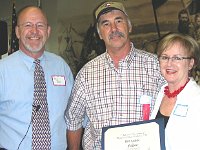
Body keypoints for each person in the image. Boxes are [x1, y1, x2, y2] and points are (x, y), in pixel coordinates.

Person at [65, 1, 165, 149]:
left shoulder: (157, 66)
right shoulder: (86, 74)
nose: (113, 28)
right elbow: (73, 119)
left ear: (129, 26)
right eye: (106, 24)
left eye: (119, 21)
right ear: (99, 34)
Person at [0, 6, 74, 149]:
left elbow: (74, 113)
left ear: (48, 31)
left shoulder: (62, 66)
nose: (34, 31)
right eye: (28, 25)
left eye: (40, 25)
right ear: (17, 32)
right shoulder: (2, 70)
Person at [150, 33, 200, 149]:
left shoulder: (197, 99)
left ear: (190, 63)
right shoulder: (159, 94)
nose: (169, 63)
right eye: (165, 57)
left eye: (177, 58)